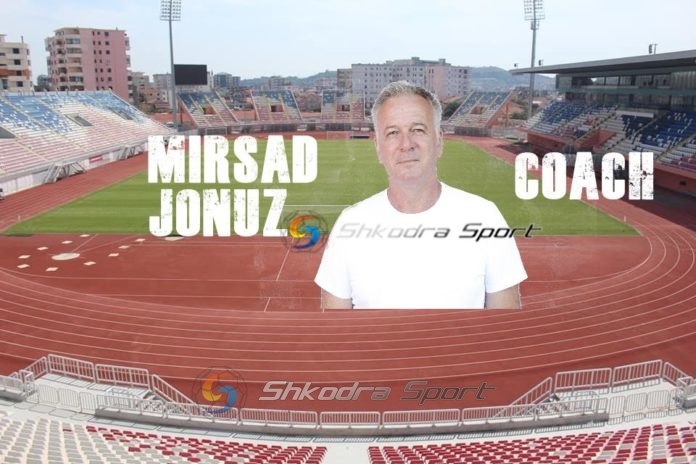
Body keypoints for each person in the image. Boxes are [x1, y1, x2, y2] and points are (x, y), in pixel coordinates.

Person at [314, 81, 527, 309]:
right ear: (378, 148)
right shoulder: (349, 225)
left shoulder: (486, 218)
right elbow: (335, 327)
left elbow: (506, 323)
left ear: (439, 141)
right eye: (393, 133)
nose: (406, 144)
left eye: (418, 130)